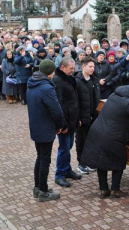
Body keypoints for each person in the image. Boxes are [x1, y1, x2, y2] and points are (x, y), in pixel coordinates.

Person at [81, 85, 129, 198]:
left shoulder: (113, 96)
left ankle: (103, 189)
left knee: (100, 160)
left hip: (97, 131)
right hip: (112, 136)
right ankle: (115, 190)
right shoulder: (127, 104)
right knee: (118, 162)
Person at [26, 59, 63, 202]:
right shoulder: (46, 87)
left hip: (36, 125)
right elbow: (56, 110)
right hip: (45, 127)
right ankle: (42, 191)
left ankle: (38, 187)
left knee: (40, 157)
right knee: (44, 159)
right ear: (50, 72)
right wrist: (60, 125)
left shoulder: (32, 83)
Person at [52, 56, 82, 187]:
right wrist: (62, 124)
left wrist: (77, 118)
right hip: (65, 121)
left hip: (72, 119)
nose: (72, 71)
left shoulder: (69, 79)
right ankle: (59, 174)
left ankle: (67, 169)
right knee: (64, 148)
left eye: (73, 68)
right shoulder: (57, 81)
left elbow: (74, 100)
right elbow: (58, 104)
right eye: (70, 69)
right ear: (62, 67)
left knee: (68, 147)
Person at [75, 56, 100, 175]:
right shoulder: (77, 81)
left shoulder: (94, 80)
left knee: (91, 140)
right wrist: (78, 117)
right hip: (82, 116)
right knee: (81, 139)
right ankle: (81, 163)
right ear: (83, 67)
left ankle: (89, 162)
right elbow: (76, 101)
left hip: (92, 115)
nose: (92, 69)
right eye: (90, 66)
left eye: (93, 67)